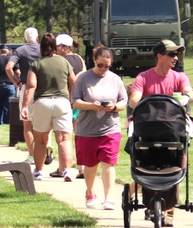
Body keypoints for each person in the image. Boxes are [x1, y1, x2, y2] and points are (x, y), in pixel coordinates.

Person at [128, 39, 193, 226]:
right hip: (149, 129)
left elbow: (190, 92)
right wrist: (137, 100)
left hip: (173, 130)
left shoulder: (179, 77)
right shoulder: (144, 77)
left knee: (175, 162)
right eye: (171, 54)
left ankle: (169, 211)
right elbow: (134, 99)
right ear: (160, 56)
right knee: (145, 162)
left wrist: (185, 97)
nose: (175, 58)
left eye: (177, 54)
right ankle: (151, 205)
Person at [71, 46, 128, 209]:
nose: (104, 69)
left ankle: (108, 198)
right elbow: (75, 102)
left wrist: (114, 106)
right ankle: (90, 192)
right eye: (101, 65)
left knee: (109, 164)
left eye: (108, 66)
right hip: (87, 130)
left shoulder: (116, 79)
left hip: (110, 129)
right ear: (94, 61)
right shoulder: (83, 78)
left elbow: (124, 102)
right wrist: (91, 105)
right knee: (90, 165)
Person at [21, 32, 76, 181]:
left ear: (41, 47)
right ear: (55, 46)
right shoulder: (65, 63)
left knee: (40, 139)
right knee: (64, 139)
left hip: (42, 103)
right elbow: (74, 83)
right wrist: (72, 100)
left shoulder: (36, 64)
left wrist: (25, 106)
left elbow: (31, 86)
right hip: (62, 103)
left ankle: (38, 171)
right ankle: (67, 171)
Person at [7, 28, 41, 160]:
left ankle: (32, 154)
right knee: (43, 123)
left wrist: (16, 82)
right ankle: (44, 149)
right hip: (43, 88)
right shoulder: (43, 49)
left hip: (27, 88)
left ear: (25, 38)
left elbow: (8, 67)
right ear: (37, 37)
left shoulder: (20, 50)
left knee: (27, 124)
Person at [56, 33, 86, 178]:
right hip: (81, 102)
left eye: (58, 46)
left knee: (64, 136)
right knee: (79, 134)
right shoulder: (79, 58)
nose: (55, 48)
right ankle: (82, 168)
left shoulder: (62, 62)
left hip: (69, 102)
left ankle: (64, 168)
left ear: (65, 47)